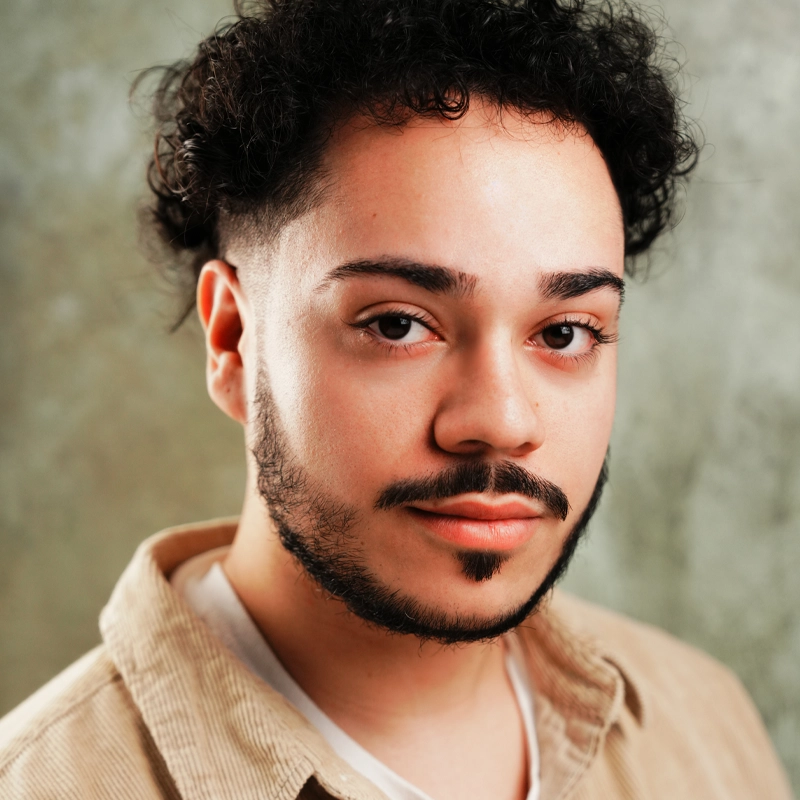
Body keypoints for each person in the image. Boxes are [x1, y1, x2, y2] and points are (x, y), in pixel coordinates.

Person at [0, 0, 792, 797]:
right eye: (398, 324)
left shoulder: (706, 724)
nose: (502, 423)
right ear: (233, 339)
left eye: (563, 334)